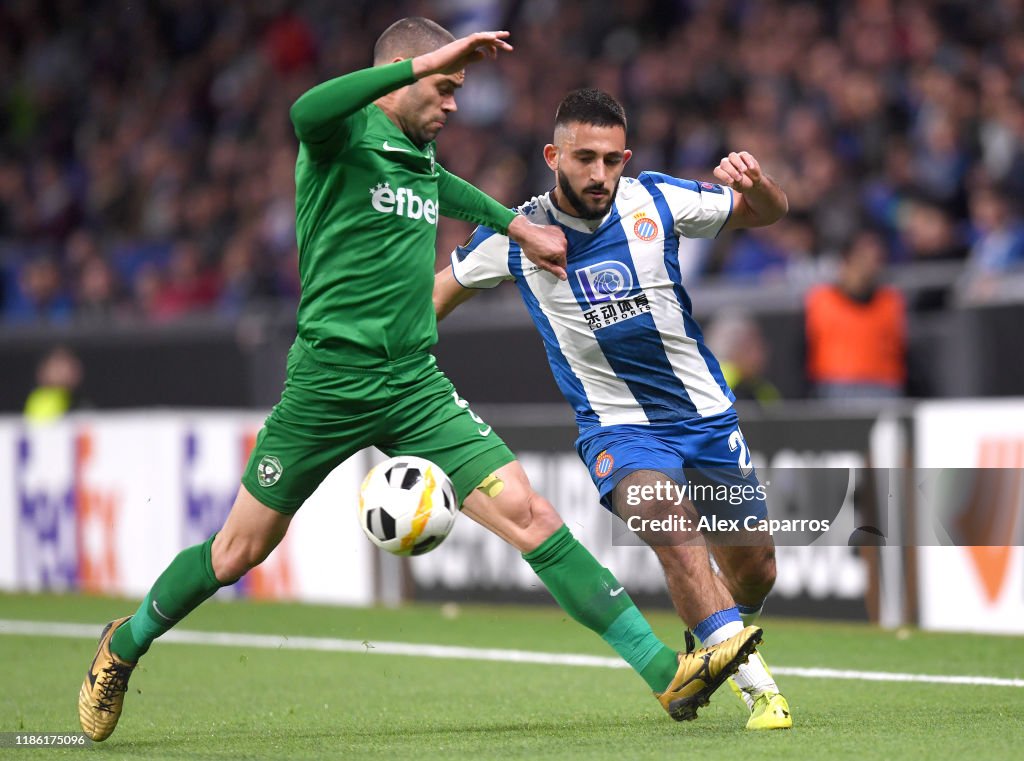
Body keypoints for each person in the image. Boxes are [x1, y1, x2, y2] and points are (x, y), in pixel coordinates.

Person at [78, 21, 761, 743]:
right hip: (328, 385)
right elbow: (302, 111)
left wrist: (511, 223)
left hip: (414, 384)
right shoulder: (338, 139)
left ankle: (665, 673)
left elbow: (446, 189)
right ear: (406, 74)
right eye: (445, 87)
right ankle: (123, 645)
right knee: (237, 552)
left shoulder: (418, 156)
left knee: (533, 517)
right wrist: (428, 64)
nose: (455, 104)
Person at [434, 88, 792, 730]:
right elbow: (431, 301)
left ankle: (707, 629)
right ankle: (761, 692)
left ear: (625, 158)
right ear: (553, 155)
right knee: (670, 525)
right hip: (618, 428)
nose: (598, 174)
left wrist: (759, 183)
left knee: (756, 570)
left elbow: (767, 213)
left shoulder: (656, 198)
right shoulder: (513, 234)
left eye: (610, 159)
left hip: (705, 417)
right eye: (583, 159)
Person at [805, 229, 906, 399]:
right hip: (833, 389)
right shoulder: (820, 301)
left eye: (876, 259)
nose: (870, 265)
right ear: (846, 260)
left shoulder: (891, 301)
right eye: (863, 258)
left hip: (885, 387)